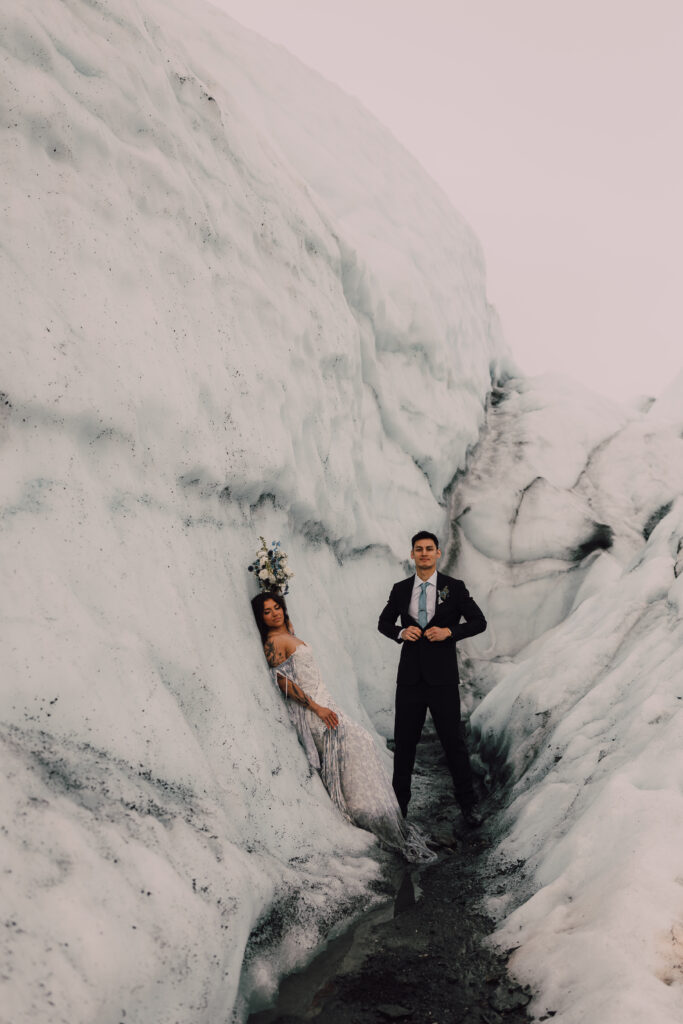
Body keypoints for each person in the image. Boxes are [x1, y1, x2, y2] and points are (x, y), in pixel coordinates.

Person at [251, 591, 435, 863]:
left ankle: (382, 815)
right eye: (267, 611)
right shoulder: (274, 641)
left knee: (362, 745)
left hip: (326, 704)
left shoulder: (287, 632)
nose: (274, 613)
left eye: (277, 607)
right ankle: (365, 815)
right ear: (261, 617)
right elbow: (282, 681)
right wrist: (316, 708)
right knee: (358, 743)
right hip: (316, 710)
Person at [378, 531, 487, 828]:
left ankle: (468, 805)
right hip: (410, 680)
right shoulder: (400, 590)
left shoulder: (454, 587)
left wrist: (449, 632)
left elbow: (479, 622)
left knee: (454, 744)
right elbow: (384, 622)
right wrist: (400, 632)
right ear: (412, 555)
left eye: (429, 549)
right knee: (404, 746)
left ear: (438, 553)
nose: (424, 553)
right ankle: (399, 808)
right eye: (418, 549)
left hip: (443, 681)